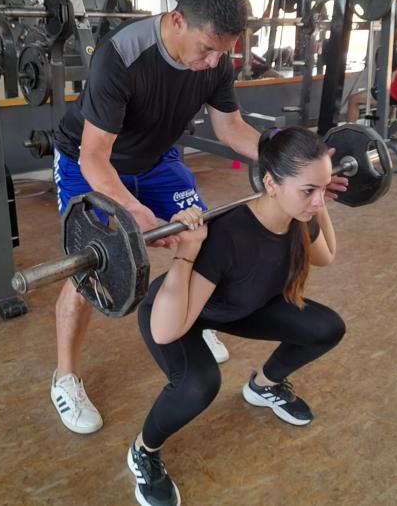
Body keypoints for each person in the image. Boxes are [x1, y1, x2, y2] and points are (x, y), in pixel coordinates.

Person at [51, 0, 337, 436]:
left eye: (223, 52)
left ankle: (193, 320)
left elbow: (231, 130)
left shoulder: (215, 59)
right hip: (90, 159)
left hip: (158, 157)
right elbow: (94, 156)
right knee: (92, 268)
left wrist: (296, 159)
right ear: (178, 20)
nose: (213, 62)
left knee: (201, 236)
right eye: (207, 48)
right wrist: (133, 212)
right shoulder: (120, 57)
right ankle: (65, 375)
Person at [127, 126, 347, 506]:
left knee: (326, 327)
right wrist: (187, 251)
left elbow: (326, 256)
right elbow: (166, 331)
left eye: (323, 189)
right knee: (198, 385)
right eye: (308, 190)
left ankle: (263, 386)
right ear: (271, 183)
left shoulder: (300, 215)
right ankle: (143, 450)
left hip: (239, 307)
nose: (316, 200)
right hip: (176, 310)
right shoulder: (228, 236)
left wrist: (319, 203)